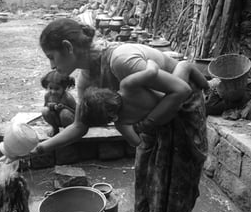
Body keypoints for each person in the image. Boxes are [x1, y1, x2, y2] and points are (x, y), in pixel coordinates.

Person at [31, 18, 208, 212]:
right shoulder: (85, 80)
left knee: (174, 183)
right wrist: (42, 147)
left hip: (180, 109)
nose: (51, 65)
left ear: (68, 47)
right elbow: (80, 126)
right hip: (151, 119)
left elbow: (179, 91)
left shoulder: (121, 61)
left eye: (52, 56)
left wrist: (148, 123)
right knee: (146, 173)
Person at [78, 59, 209, 147]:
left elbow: (136, 142)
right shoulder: (127, 86)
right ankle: (208, 88)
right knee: (184, 65)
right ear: (106, 91)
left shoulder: (120, 123)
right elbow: (152, 72)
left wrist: (145, 124)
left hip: (165, 121)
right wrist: (150, 61)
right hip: (174, 100)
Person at [40, 70, 77, 137]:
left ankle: (68, 131)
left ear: (64, 88)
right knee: (44, 110)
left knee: (65, 113)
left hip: (68, 120)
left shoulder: (68, 97)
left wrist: (64, 107)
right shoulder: (47, 96)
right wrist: (50, 106)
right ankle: (55, 128)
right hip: (56, 119)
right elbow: (46, 106)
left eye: (57, 89)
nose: (53, 92)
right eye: (50, 88)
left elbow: (77, 112)